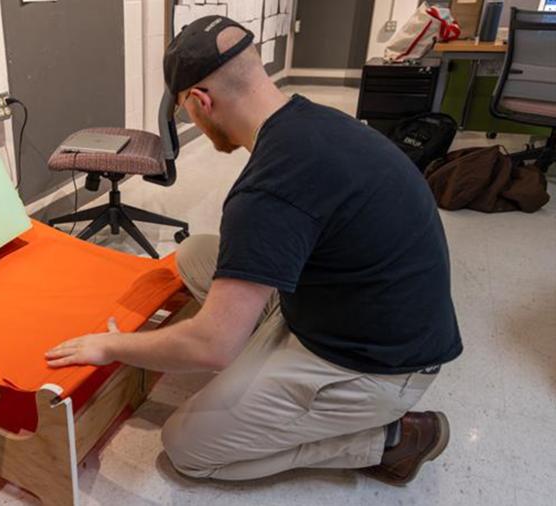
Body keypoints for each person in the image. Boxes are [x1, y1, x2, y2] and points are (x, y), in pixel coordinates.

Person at [46, 15, 462, 486]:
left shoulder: (268, 192)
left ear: (201, 101)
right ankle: (264, 360)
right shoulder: (309, 119)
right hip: (359, 311)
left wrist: (112, 346)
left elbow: (211, 347)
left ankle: (393, 437)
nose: (194, 122)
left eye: (186, 112)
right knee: (196, 254)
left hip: (373, 366)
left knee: (187, 447)